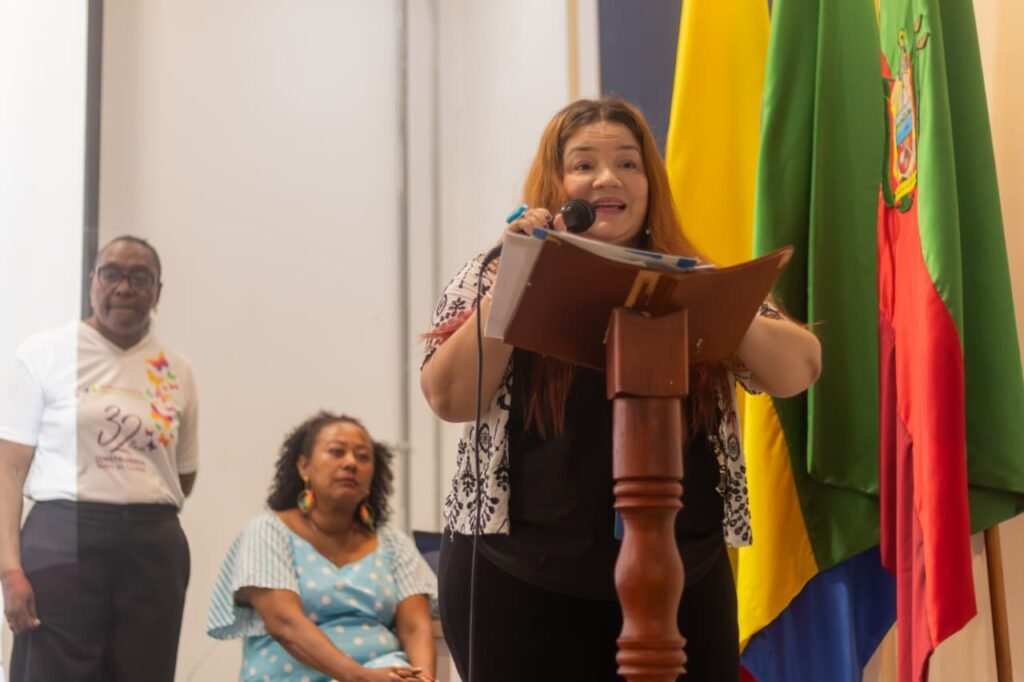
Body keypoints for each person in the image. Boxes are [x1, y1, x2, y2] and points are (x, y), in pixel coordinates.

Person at [419, 97, 822, 681]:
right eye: (583, 164)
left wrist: (713, 302)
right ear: (555, 185)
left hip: (681, 578)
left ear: (650, 185)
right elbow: (449, 397)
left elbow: (800, 370)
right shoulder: (494, 272)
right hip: (521, 582)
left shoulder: (690, 273)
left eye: (628, 164)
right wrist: (520, 273)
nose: (608, 178)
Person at [0, 236, 199, 681]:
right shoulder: (44, 353)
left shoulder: (176, 370)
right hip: (63, 534)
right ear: (92, 282)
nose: (124, 287)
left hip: (152, 544)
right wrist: (9, 570)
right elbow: (8, 472)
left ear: (158, 292)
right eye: (112, 274)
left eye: (140, 278)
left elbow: (184, 475)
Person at [207, 411, 438, 682]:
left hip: (382, 673)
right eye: (337, 452)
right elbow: (284, 623)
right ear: (304, 467)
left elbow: (415, 627)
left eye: (363, 457)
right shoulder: (268, 531)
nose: (351, 463)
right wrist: (359, 677)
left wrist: (424, 680)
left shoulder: (392, 542)